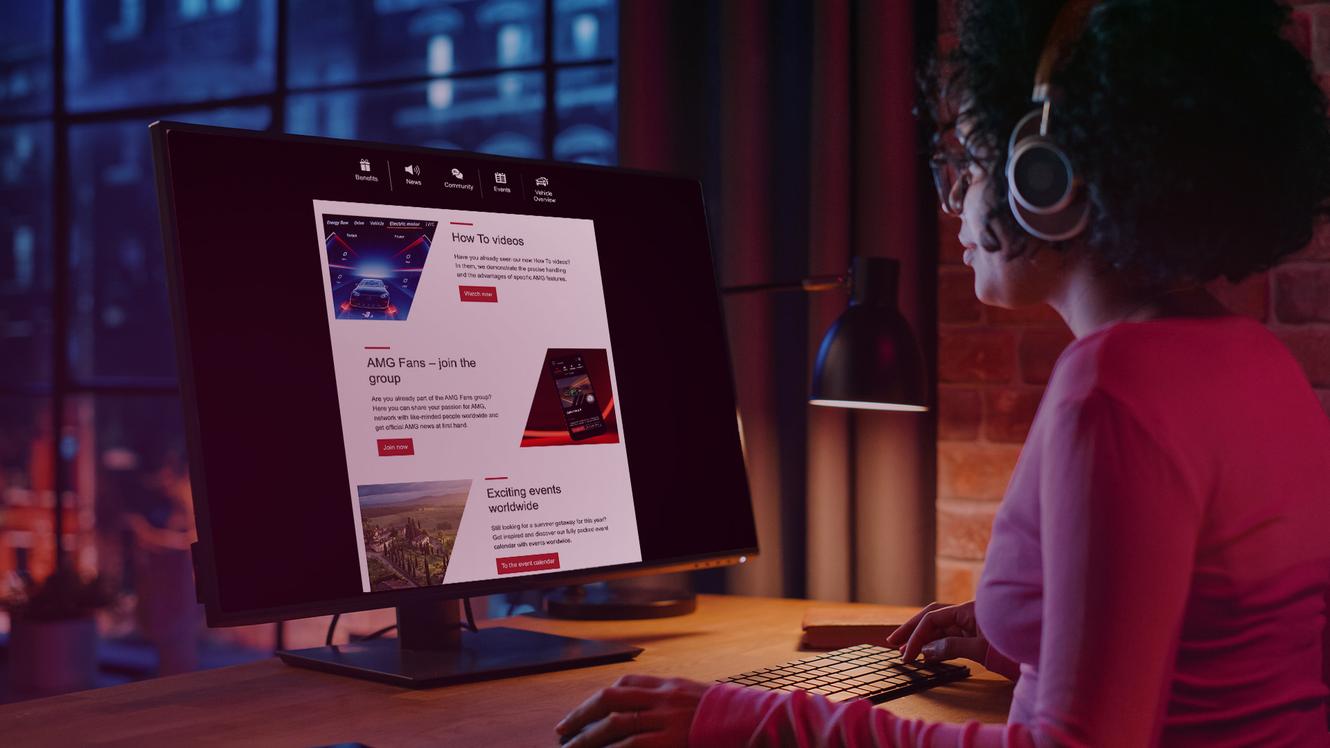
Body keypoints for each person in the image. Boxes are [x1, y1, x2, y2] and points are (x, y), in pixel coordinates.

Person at [554, 0, 1330, 745]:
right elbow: (1211, 663)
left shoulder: (1114, 386)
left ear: (1046, 176)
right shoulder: (1257, 361)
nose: (958, 202)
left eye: (973, 159)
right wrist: (1026, 649)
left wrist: (745, 720)